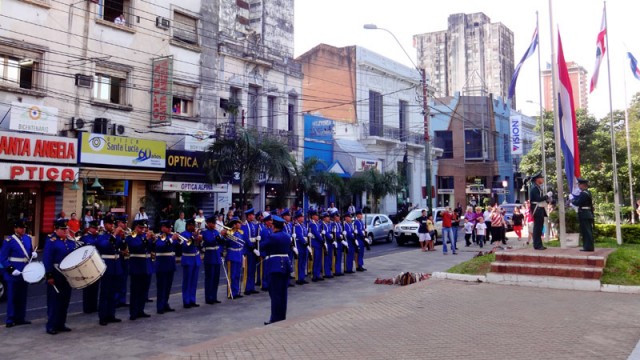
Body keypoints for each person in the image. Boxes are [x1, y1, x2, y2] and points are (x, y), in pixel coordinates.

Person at [1, 220, 36, 328]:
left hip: (24, 271)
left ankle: (20, 318)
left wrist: (32, 255)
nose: (23, 230)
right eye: (21, 228)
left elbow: (28, 254)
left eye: (24, 228)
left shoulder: (27, 238)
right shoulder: (9, 240)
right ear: (15, 229)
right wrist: (11, 269)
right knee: (12, 296)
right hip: (14, 272)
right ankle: (10, 319)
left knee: (22, 296)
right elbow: (2, 257)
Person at [43, 220, 75, 335]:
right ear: (56, 229)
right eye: (63, 229)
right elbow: (47, 259)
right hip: (56, 274)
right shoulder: (51, 241)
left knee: (65, 300)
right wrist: (49, 275)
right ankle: (51, 325)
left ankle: (61, 324)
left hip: (67, 275)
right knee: (54, 301)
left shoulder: (69, 241)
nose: (65, 231)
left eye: (66, 229)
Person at [261, 215, 293, 325]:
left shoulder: (273, 236)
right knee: (283, 293)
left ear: (274, 226)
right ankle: (282, 316)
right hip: (286, 265)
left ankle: (274, 318)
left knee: (275, 294)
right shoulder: (287, 236)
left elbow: (262, 246)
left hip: (275, 266)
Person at [95, 219, 124, 326]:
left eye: (113, 224)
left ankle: (111, 314)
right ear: (105, 225)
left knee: (113, 292)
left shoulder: (115, 236)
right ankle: (102, 316)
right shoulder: (101, 236)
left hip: (116, 266)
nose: (112, 225)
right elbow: (105, 246)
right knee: (105, 293)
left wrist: (122, 237)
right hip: (107, 266)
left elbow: (121, 247)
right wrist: (115, 234)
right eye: (109, 224)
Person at [126, 220, 154, 320]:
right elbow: (136, 248)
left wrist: (153, 240)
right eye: (140, 228)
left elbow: (151, 249)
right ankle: (133, 312)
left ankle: (140, 310)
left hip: (146, 266)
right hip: (137, 266)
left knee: (143, 290)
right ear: (135, 228)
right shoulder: (131, 237)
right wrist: (146, 239)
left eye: (143, 228)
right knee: (135, 291)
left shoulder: (143, 236)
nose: (142, 230)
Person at [181, 218, 203, 306]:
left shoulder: (195, 234)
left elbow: (198, 246)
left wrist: (199, 239)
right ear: (188, 226)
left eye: (194, 225)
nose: (194, 227)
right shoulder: (184, 234)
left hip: (195, 259)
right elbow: (185, 246)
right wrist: (194, 237)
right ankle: (186, 301)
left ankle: (192, 300)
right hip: (188, 259)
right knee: (187, 281)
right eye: (192, 225)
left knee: (194, 281)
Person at [202, 217, 223, 304]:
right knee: (209, 278)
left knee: (216, 278)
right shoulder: (205, 232)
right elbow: (210, 241)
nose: (214, 225)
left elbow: (221, 242)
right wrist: (218, 236)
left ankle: (214, 296)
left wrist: (223, 236)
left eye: (214, 223)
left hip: (217, 257)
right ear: (208, 223)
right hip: (210, 257)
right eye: (212, 223)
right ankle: (208, 297)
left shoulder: (216, 231)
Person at [81, 222, 101, 313]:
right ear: (89, 228)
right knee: (88, 287)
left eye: (96, 228)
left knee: (95, 287)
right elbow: (90, 244)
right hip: (87, 264)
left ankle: (93, 305)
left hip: (95, 263)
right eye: (94, 228)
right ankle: (87, 307)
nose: (95, 230)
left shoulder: (96, 236)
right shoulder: (86, 237)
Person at [529, 172, 551, 250]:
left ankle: (539, 244)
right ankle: (537, 245)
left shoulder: (538, 187)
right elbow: (538, 199)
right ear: (537, 179)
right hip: (537, 208)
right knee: (537, 227)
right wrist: (547, 196)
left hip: (540, 208)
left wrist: (547, 200)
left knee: (539, 227)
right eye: (541, 178)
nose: (542, 179)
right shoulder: (534, 188)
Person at [571, 178, 595, 252]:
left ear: (583, 185)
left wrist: (572, 200)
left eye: (579, 184)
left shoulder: (584, 194)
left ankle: (588, 247)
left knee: (586, 231)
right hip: (587, 213)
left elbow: (578, 203)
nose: (578, 186)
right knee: (587, 231)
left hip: (584, 213)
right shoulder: (588, 192)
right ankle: (588, 246)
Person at [223, 217, 244, 299]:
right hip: (232, 255)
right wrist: (226, 234)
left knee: (238, 275)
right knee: (232, 275)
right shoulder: (229, 233)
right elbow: (227, 243)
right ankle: (231, 292)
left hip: (238, 254)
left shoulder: (239, 233)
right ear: (234, 225)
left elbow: (241, 244)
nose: (240, 224)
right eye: (238, 223)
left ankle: (237, 291)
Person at [241, 208, 261, 295]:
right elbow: (245, 238)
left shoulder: (254, 225)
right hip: (248, 250)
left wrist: (257, 241)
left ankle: (251, 287)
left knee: (253, 269)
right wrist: (253, 248)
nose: (254, 216)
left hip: (254, 249)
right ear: (249, 216)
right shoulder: (244, 225)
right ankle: (246, 288)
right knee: (248, 270)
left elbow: (257, 235)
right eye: (252, 215)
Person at [293, 210, 310, 283]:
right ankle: (298, 278)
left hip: (305, 245)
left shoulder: (303, 225)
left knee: (303, 262)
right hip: (300, 245)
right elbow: (299, 236)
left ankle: (302, 277)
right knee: (299, 262)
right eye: (301, 217)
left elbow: (305, 235)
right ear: (298, 218)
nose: (303, 218)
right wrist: (305, 243)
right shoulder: (297, 226)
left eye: (303, 217)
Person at [308, 210, 324, 281]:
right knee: (315, 259)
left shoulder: (318, 223)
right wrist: (322, 239)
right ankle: (314, 275)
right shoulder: (312, 224)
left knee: (318, 260)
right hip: (315, 244)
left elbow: (319, 232)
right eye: (316, 215)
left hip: (319, 244)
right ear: (313, 216)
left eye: (318, 215)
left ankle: (317, 274)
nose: (317, 216)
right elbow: (316, 233)